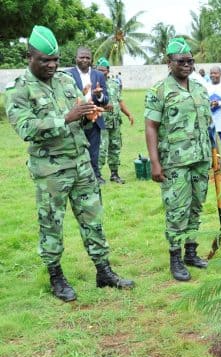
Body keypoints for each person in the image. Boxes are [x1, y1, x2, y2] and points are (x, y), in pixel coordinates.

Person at [5, 25, 134, 302]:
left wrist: (89, 110)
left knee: (93, 218)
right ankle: (56, 277)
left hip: (81, 163)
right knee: (52, 224)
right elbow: (26, 128)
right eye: (45, 60)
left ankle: (104, 271)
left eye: (55, 60)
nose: (52, 65)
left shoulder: (64, 81)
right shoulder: (19, 90)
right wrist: (67, 118)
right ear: (29, 57)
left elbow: (80, 106)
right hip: (51, 172)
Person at [144, 37, 212, 282]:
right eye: (182, 61)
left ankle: (191, 252)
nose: (187, 65)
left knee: (196, 206)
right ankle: (175, 258)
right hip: (175, 161)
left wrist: (214, 153)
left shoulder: (200, 88)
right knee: (176, 210)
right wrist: (154, 162)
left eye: (191, 61)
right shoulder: (159, 91)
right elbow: (151, 126)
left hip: (201, 158)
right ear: (169, 62)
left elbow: (207, 125)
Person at [67, 47, 109, 183]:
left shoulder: (99, 75)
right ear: (76, 58)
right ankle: (78, 177)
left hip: (95, 119)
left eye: (87, 58)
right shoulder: (67, 75)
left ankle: (96, 176)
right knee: (76, 149)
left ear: (91, 59)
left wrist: (99, 95)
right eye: (81, 57)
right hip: (75, 120)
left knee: (94, 150)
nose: (84, 60)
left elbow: (106, 100)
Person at [96, 57, 135, 184]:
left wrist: (128, 114)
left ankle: (114, 174)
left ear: (108, 71)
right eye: (99, 70)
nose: (102, 72)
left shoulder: (114, 84)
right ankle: (97, 176)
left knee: (115, 148)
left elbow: (120, 101)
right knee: (101, 149)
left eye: (104, 70)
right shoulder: (94, 85)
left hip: (115, 122)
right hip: (101, 123)